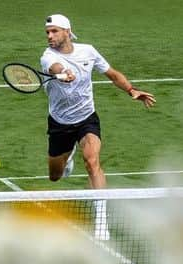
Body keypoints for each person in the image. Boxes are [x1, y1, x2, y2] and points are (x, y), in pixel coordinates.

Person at [41, 13, 155, 189]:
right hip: (60, 122)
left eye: (54, 31)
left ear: (67, 31)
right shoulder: (47, 56)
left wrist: (131, 90)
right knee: (55, 175)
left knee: (92, 162)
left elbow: (112, 74)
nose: (49, 36)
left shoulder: (88, 51)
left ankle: (101, 214)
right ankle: (68, 155)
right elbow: (55, 67)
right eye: (47, 32)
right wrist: (64, 73)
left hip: (87, 117)